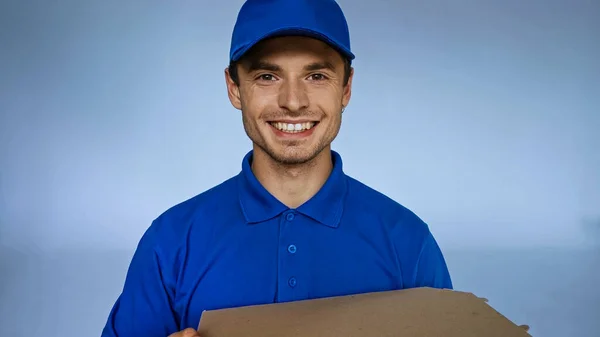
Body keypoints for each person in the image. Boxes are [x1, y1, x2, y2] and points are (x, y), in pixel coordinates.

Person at [101, 0, 452, 336]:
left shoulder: (408, 244)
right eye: (268, 76)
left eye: (316, 76)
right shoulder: (171, 242)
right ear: (234, 88)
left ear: (346, 88)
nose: (293, 101)